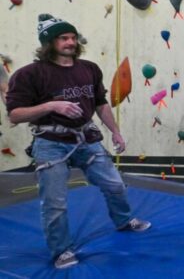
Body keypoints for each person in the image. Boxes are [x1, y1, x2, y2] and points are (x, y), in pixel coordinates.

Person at [5, 14, 151, 269]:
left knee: (115, 185)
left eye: (73, 37)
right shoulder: (29, 74)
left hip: (87, 137)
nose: (70, 42)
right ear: (49, 42)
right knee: (55, 202)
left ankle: (124, 220)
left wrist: (115, 132)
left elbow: (101, 104)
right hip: (50, 141)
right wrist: (52, 105)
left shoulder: (89, 69)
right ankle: (61, 250)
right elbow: (15, 114)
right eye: (64, 38)